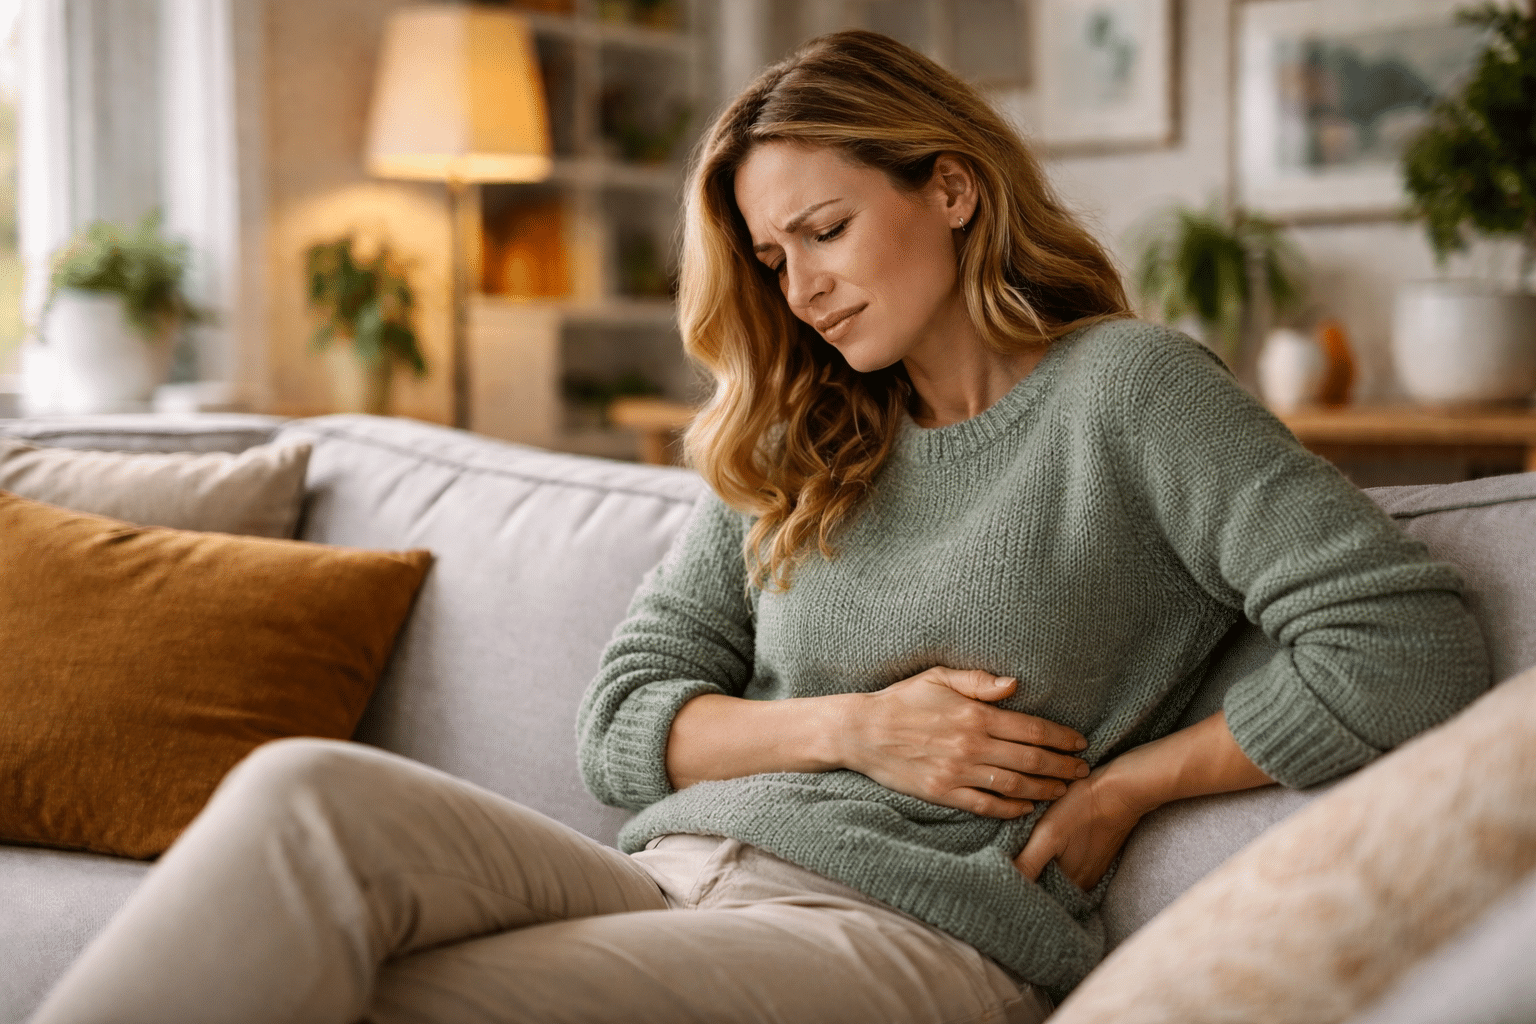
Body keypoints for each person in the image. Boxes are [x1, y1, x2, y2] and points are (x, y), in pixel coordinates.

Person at [33, 29, 1488, 1024]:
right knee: (304, 797)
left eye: (828, 232)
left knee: (387, 996)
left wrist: (1126, 789)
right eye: (773, 257)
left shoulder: (1128, 391)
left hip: (909, 935)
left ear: (954, 187)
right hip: (670, 868)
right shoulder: (802, 436)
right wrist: (850, 730)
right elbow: (618, 727)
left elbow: (1405, 638)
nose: (799, 290)